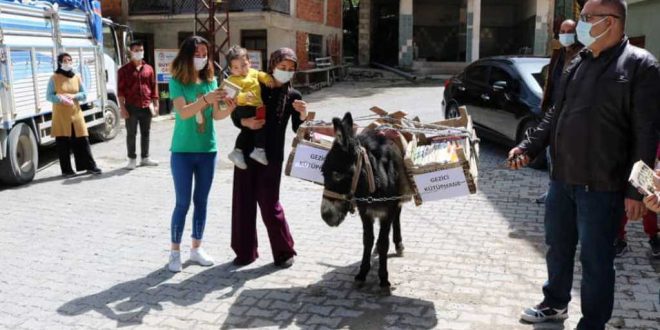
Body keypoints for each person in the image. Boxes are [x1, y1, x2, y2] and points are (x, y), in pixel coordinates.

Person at [508, 0, 660, 328]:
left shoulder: (640, 65)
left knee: (596, 262)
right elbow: (554, 113)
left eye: (587, 18)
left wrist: (637, 190)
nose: (581, 24)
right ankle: (554, 304)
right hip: (562, 181)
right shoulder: (578, 61)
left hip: (603, 187)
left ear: (611, 21)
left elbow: (646, 133)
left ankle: (592, 323)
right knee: (557, 248)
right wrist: (528, 146)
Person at [230, 48, 308, 268]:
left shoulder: (294, 96)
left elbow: (298, 128)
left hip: (272, 157)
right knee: (243, 202)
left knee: (269, 204)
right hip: (245, 153)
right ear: (272, 65)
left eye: (290, 69)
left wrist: (303, 115)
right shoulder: (257, 84)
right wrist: (245, 123)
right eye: (282, 67)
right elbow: (237, 115)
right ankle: (245, 252)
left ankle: (283, 251)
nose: (285, 72)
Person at [166, 36, 235, 273]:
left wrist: (228, 108)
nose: (202, 58)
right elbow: (183, 113)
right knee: (182, 203)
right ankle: (175, 252)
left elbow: (215, 116)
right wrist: (206, 99)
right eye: (197, 53)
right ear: (187, 55)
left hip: (208, 150)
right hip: (182, 152)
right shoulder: (176, 81)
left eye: (205, 53)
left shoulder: (211, 80)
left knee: (201, 202)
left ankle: (196, 249)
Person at [536, 19, 583, 204]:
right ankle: (552, 191)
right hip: (553, 113)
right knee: (551, 156)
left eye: (569, 31)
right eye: (562, 31)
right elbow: (551, 82)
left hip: (570, 116)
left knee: (565, 158)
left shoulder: (583, 54)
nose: (564, 34)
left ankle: (562, 195)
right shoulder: (558, 54)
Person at [46, 53, 102, 177]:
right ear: (60, 62)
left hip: (76, 114)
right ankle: (66, 170)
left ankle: (90, 166)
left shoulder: (76, 77)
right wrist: (60, 98)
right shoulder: (54, 78)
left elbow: (84, 94)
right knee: (63, 143)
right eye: (65, 60)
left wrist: (74, 96)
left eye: (69, 60)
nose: (68, 63)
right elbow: (49, 96)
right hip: (61, 115)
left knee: (83, 140)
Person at [224, 45, 274, 169]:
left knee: (248, 130)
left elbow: (261, 74)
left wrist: (268, 79)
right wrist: (243, 97)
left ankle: (239, 151)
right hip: (243, 107)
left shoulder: (253, 73)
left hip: (255, 106)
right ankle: (258, 150)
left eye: (244, 65)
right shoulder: (231, 79)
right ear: (230, 69)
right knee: (259, 127)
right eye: (236, 67)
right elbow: (229, 97)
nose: (241, 70)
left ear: (250, 63)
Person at [118, 40, 160, 170]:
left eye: (141, 50)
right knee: (131, 133)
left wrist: (156, 104)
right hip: (131, 106)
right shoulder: (124, 70)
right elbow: (120, 91)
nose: (139, 52)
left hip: (147, 105)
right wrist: (122, 108)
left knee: (146, 133)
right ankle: (131, 159)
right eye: (136, 50)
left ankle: (145, 158)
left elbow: (153, 87)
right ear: (130, 52)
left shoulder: (149, 68)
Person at [615, 144, 659, 257]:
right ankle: (619, 236)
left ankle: (654, 236)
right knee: (622, 201)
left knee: (650, 201)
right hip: (624, 160)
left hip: (649, 160)